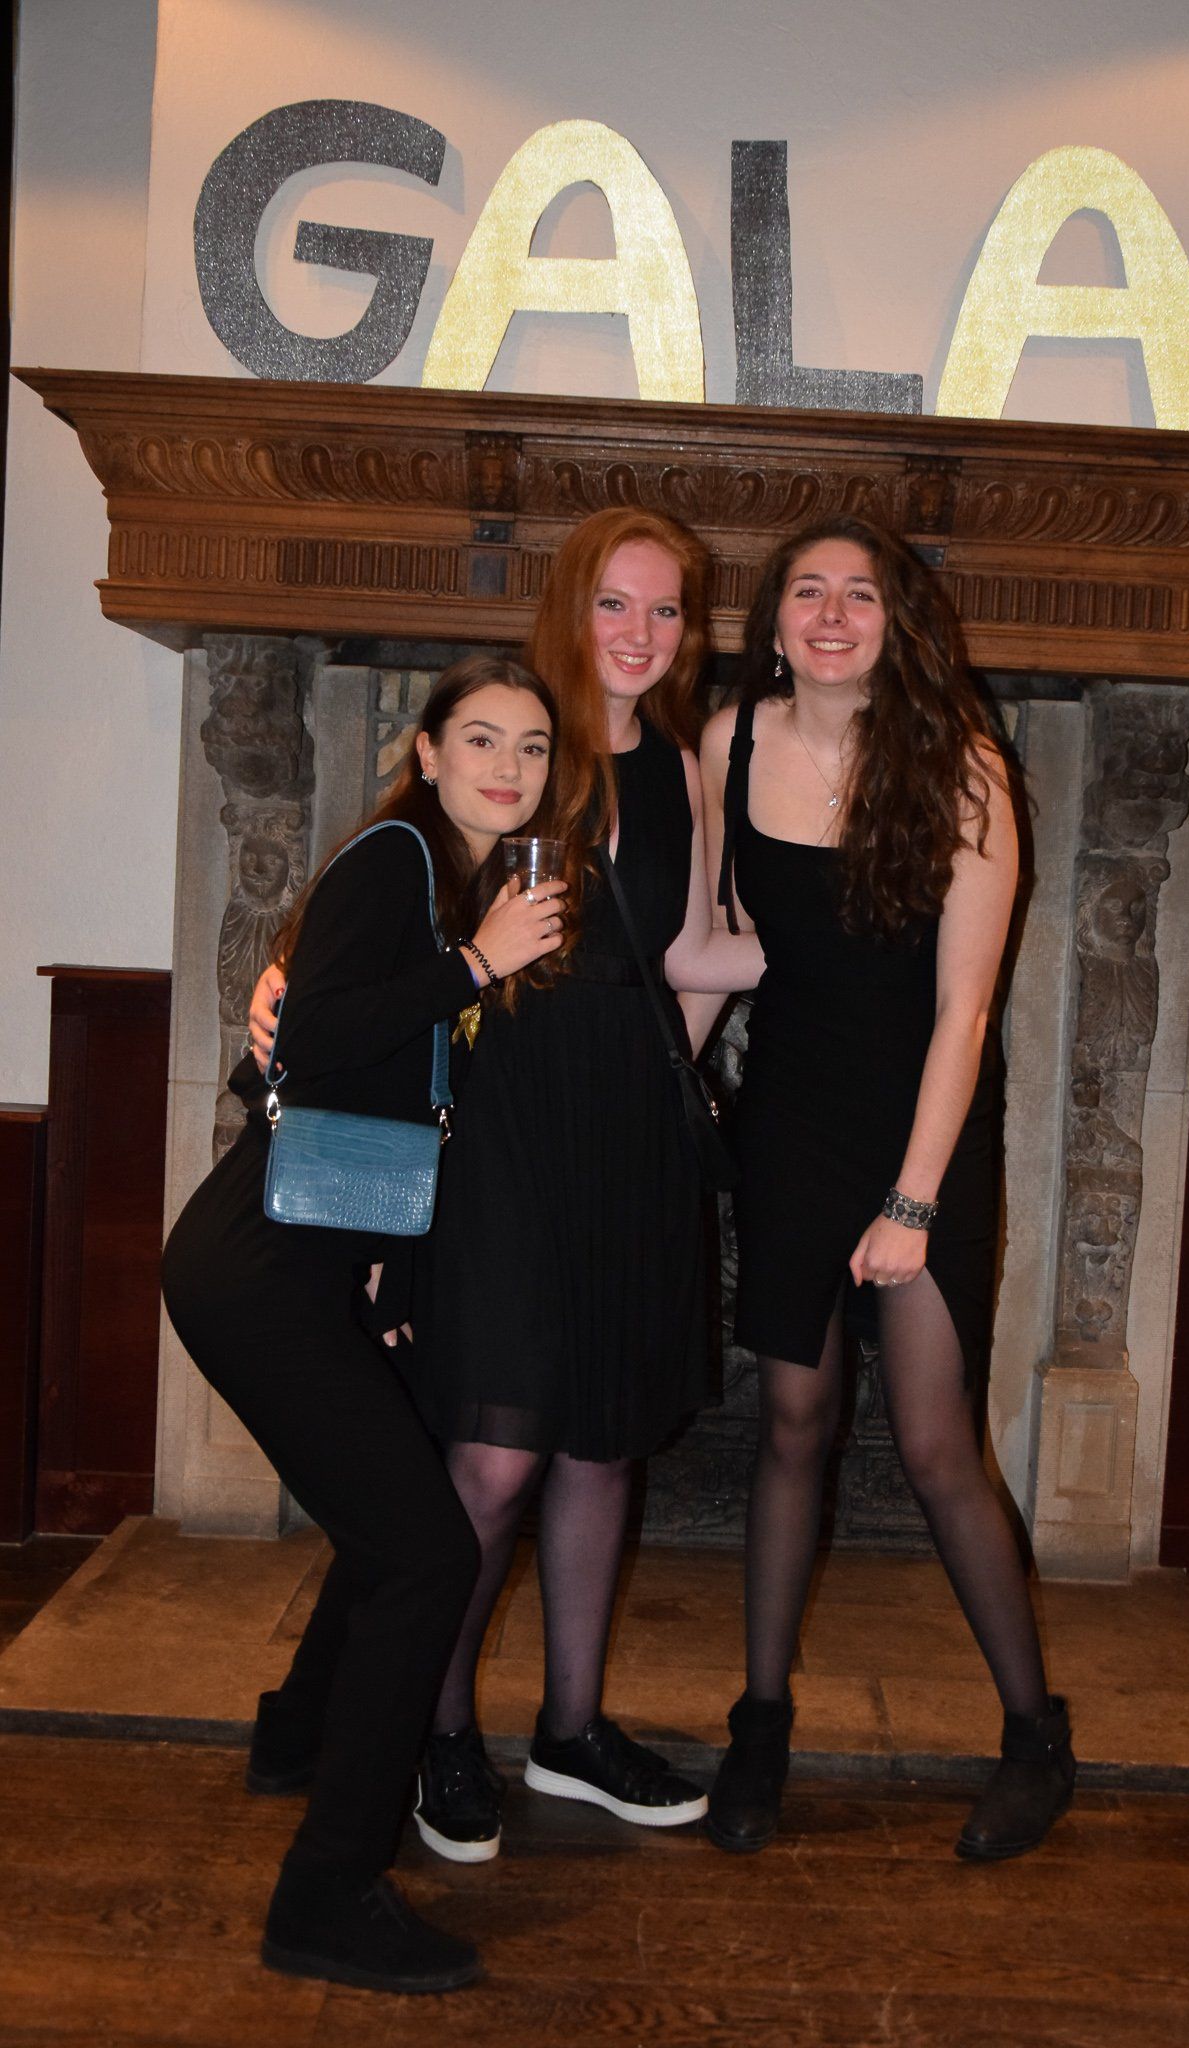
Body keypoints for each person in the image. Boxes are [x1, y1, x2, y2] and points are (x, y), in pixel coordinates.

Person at [249, 509, 763, 1864]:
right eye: (615, 603)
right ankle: (437, 1736)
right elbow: (400, 876)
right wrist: (283, 967)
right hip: (498, 1126)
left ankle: (573, 1732)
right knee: (490, 1455)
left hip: (629, 1134)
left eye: (666, 609)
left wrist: (819, 961)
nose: (640, 634)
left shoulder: (686, 763)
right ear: (570, 607)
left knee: (603, 1441)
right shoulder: (518, 737)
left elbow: (685, 955)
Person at [163, 655, 567, 1994]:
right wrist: (477, 965)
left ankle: (296, 1735)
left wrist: (381, 1279)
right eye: (482, 739)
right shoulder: (398, 862)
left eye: (533, 747)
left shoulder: (440, 883)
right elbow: (317, 1039)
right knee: (427, 1556)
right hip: (255, 1273)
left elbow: (318, 1071)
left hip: (305, 1268)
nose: (509, 767)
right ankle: (325, 1900)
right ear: (428, 751)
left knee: (393, 1520)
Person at [697, 515, 1075, 1862]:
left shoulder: (963, 767)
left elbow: (966, 1009)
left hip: (929, 1130)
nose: (830, 613)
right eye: (806, 590)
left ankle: (1034, 1736)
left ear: (897, 620)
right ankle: (759, 1727)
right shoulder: (727, 745)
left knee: (930, 1444)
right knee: (791, 1426)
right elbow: (717, 940)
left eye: (859, 593)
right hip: (790, 1119)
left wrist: (911, 1203)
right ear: (774, 620)